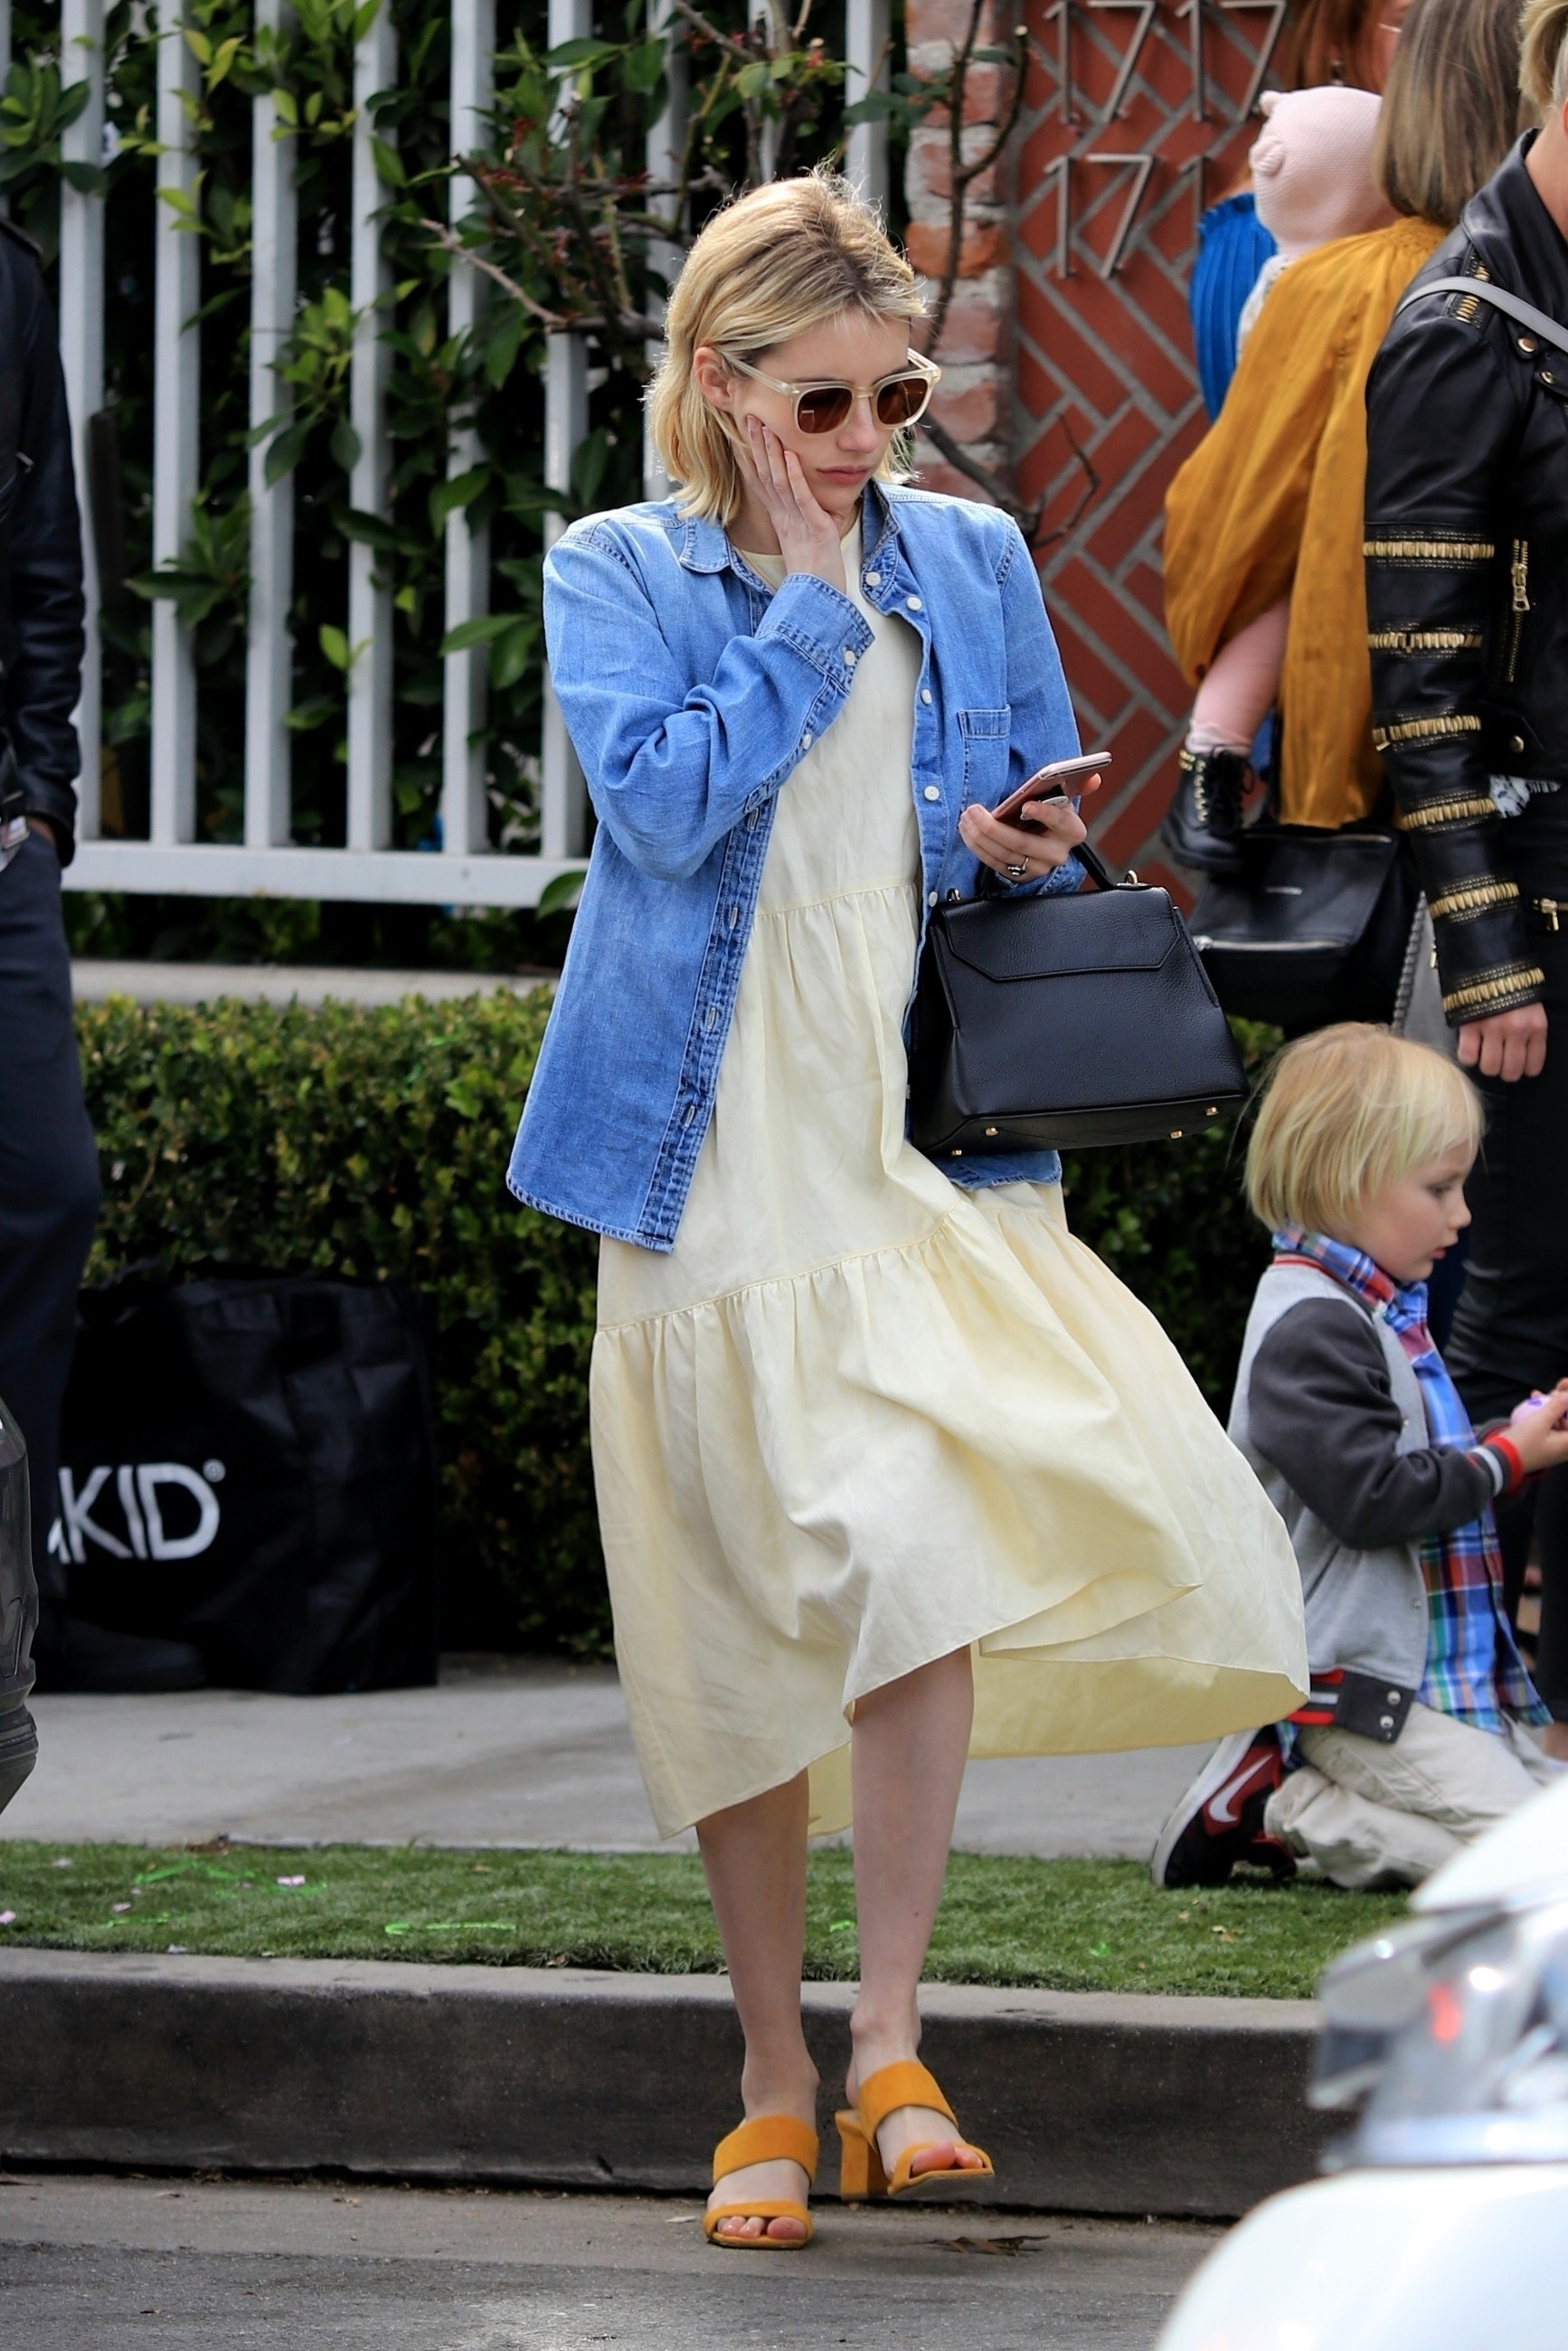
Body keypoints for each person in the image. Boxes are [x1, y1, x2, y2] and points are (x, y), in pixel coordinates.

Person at [508, 170, 1307, 2248]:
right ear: (724, 384)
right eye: (826, 402)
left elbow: (1003, 843)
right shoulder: (619, 567)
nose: (869, 439)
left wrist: (1014, 844)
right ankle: (768, 2075)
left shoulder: (972, 556)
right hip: (709, 1155)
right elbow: (664, 810)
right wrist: (798, 592)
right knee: (740, 1619)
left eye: (899, 397)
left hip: (913, 1141)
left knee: (913, 1557)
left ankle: (887, 2040)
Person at [1363, 0, 1568, 1761]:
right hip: (1535, 894)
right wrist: (1488, 957)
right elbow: (1415, 685)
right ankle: (1466, 1702)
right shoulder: (1461, 324)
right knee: (1511, 1300)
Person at [1152, 1025, 1564, 1893]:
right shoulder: (1312, 1328)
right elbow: (1373, 1500)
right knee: (1542, 1869)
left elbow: (1415, 1465)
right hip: (1356, 1698)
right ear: (1349, 1179)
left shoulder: (1374, 1310)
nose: (1462, 1215)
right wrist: (1505, 1458)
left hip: (1423, 1693)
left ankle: (1302, 1801)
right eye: (1440, 1188)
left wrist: (1516, 1438)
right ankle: (1298, 1808)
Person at [1163, 0, 1525, 873]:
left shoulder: (1345, 273)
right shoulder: (1339, 268)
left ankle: (1212, 750)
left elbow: (1242, 523)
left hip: (1376, 736)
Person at [1176, 85, 1393, 867]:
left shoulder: (1283, 271)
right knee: (1278, 617)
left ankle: (1212, 760)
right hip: (1313, 506)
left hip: (1290, 497)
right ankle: (1211, 759)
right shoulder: (1327, 284)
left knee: (1269, 625)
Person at [0, 217, 101, 1678]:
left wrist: (38, 801)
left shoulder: (7, 276)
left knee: (45, 1190)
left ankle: (5, 1623)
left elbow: (42, 562)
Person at [1187, 0, 1411, 423]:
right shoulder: (1256, 238)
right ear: (1336, 40)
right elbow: (1256, 444)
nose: (1447, 45)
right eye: (1414, 20)